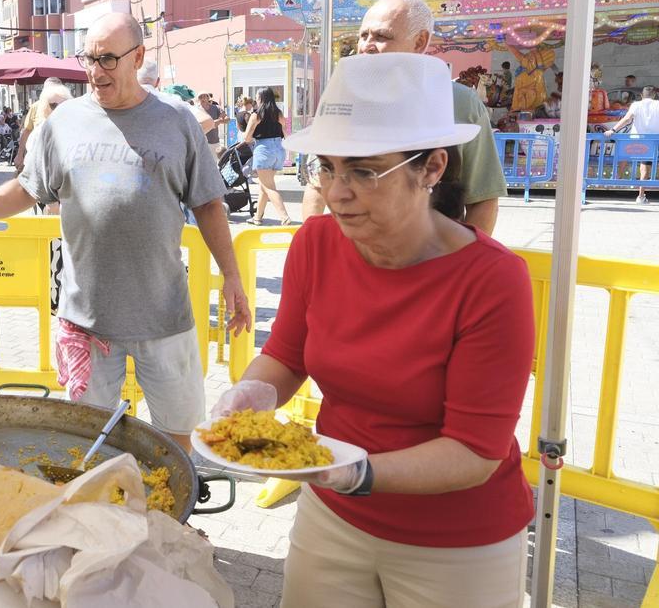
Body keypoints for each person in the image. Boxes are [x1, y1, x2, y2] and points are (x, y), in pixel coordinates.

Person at [217, 53, 535, 607]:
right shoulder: (315, 244)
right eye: (328, 167)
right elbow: (288, 356)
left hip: (457, 541)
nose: (338, 192)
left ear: (432, 169)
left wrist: (354, 471)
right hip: (334, 517)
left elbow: (474, 450)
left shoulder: (493, 280)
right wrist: (252, 394)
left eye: (364, 171)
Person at [0, 13, 252, 451]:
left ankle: (168, 518)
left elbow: (207, 203)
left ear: (139, 57)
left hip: (164, 316)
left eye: (107, 59)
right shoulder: (65, 121)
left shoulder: (176, 119)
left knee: (177, 439)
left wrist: (233, 277)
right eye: (88, 58)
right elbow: (26, 190)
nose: (95, 71)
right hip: (86, 321)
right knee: (89, 443)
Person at [355, 0, 507, 234]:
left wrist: (462, 264)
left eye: (381, 36)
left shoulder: (459, 102)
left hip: (435, 258)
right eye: (363, 35)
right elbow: (317, 189)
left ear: (419, 42)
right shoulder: (346, 99)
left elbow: (482, 199)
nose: (366, 46)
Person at [239, 87, 292, 226]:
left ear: (261, 98)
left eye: (257, 96)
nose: (256, 98)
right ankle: (257, 217)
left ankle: (284, 216)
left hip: (264, 149)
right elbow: (284, 129)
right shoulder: (278, 113)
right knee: (264, 185)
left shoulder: (256, 114)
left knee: (269, 187)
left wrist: (250, 136)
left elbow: (247, 137)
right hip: (279, 149)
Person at [605, 85, 658, 204]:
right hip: (651, 140)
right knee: (645, 167)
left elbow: (627, 119)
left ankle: (615, 179)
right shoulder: (658, 104)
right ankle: (640, 196)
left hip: (635, 138)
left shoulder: (636, 104)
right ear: (654, 95)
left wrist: (613, 130)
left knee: (625, 156)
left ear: (641, 95)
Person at [14, 77, 65, 172]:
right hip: (37, 160)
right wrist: (19, 155)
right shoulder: (36, 107)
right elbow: (26, 132)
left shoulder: (67, 107)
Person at [197, 91, 228, 155]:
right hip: (201, 142)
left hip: (214, 141)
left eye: (204, 97)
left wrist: (219, 121)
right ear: (198, 99)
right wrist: (212, 123)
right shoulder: (196, 110)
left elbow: (227, 119)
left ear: (208, 98)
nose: (202, 99)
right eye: (200, 97)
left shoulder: (216, 108)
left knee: (215, 162)